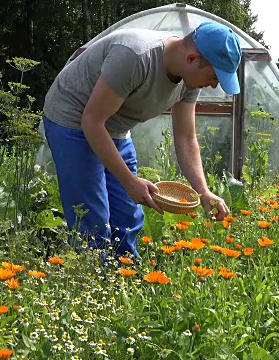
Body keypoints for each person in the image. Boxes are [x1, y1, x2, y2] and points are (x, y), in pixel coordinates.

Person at [42, 21, 241, 258]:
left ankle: (126, 279)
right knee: (92, 218)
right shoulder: (136, 57)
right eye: (214, 76)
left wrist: (203, 191)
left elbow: (186, 137)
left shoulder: (190, 80)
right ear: (191, 59)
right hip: (73, 119)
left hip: (114, 125)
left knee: (128, 215)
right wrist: (128, 180)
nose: (214, 84)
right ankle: (94, 281)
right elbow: (92, 122)